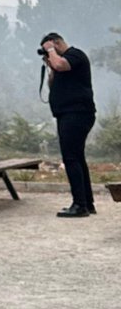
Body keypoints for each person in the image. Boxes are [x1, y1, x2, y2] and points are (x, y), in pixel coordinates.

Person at [40, 32, 97, 217]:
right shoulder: (59, 64)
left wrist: (50, 51)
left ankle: (79, 205)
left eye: (49, 48)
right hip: (68, 114)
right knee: (77, 158)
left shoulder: (75, 55)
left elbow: (60, 64)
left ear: (56, 43)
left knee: (71, 158)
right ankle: (87, 203)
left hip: (76, 114)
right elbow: (52, 83)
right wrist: (50, 68)